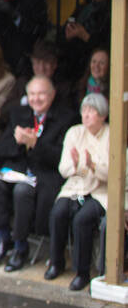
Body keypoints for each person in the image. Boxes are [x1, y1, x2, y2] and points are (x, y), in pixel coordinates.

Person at [0, 75, 75, 270]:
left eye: (42, 94)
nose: (36, 98)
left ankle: (20, 246)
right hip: (18, 170)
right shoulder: (20, 113)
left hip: (45, 175)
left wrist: (36, 144)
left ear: (52, 95)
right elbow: (1, 148)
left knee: (22, 191)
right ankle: (3, 238)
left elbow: (61, 157)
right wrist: (19, 142)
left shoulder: (65, 118)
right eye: (32, 94)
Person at [47, 94, 115, 290]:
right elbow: (64, 168)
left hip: (99, 191)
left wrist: (93, 166)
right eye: (84, 110)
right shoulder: (74, 133)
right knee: (58, 213)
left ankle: (82, 272)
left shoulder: (111, 134)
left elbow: (112, 172)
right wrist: (78, 166)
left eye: (92, 111)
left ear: (102, 116)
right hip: (74, 186)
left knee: (82, 220)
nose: (86, 115)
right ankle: (56, 262)